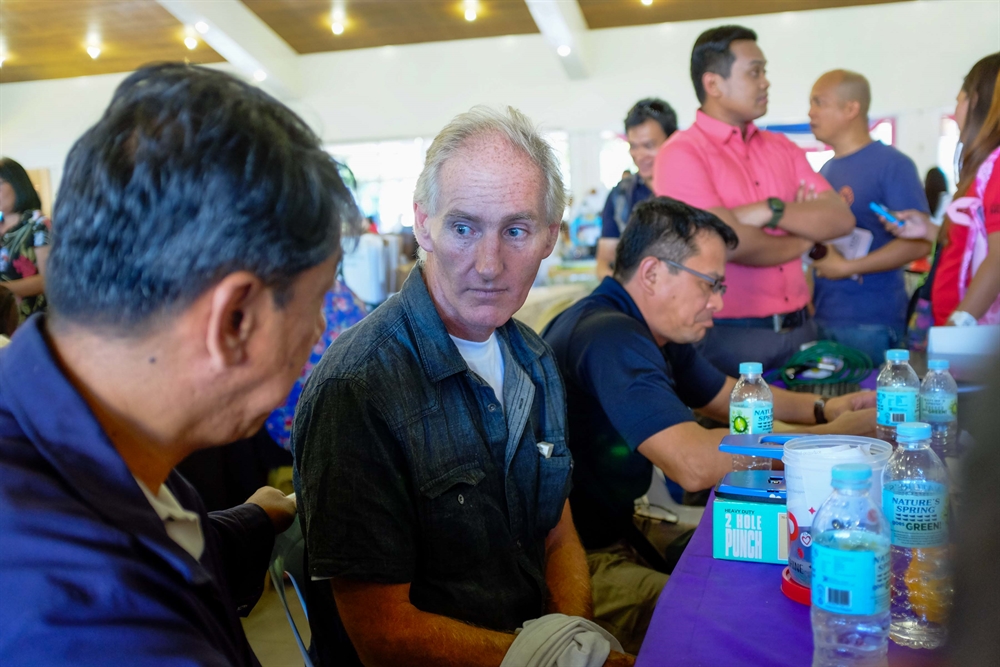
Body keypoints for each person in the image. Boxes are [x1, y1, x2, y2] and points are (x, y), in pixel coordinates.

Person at [0, 63, 360, 665]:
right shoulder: (104, 629)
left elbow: (155, 536)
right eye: (318, 299)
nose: (322, 328)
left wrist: (247, 524)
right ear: (234, 320)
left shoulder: (59, 410)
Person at [293, 106, 632, 667]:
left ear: (551, 236)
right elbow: (383, 635)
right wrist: (561, 661)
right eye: (463, 227)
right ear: (423, 223)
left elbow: (557, 534)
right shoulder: (360, 386)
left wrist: (569, 640)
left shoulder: (535, 359)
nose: (489, 263)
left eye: (516, 230)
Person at [543, 197, 877, 652]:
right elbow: (694, 464)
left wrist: (824, 411)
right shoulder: (610, 336)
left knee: (773, 556)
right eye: (711, 285)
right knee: (745, 618)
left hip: (620, 530)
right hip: (576, 560)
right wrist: (831, 441)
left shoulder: (651, 327)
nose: (719, 302)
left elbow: (730, 398)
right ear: (653, 273)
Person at [653, 25, 855, 376]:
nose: (765, 82)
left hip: (802, 330)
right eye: (754, 72)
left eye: (764, 72)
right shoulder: (681, 153)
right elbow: (724, 243)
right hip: (731, 336)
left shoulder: (782, 148)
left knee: (814, 426)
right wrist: (805, 234)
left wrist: (771, 211)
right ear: (713, 84)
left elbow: (839, 219)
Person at [806, 70, 932, 364]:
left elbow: (920, 244)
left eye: (819, 102)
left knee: (871, 406)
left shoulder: (892, 165)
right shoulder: (826, 170)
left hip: (871, 319)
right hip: (824, 314)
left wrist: (848, 267)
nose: (810, 112)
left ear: (851, 108)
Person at [882, 55, 1000, 326]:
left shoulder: (997, 165)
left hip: (974, 339)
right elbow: (974, 240)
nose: (956, 109)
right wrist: (929, 230)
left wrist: (957, 324)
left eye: (960, 98)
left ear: (978, 102)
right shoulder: (984, 167)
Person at [596, 98, 678, 279]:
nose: (640, 155)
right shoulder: (620, 196)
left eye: (649, 146)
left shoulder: (691, 188)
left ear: (673, 141)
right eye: (633, 146)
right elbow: (604, 262)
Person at [0, 157, 50, 321]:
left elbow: (48, 280)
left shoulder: (38, 224)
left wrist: (4, 290)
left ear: (17, 184)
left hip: (26, 321)